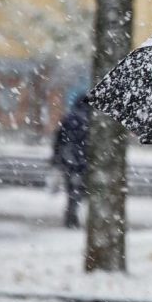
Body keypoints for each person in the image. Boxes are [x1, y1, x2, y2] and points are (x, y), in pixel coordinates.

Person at [51, 95, 91, 229]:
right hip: (83, 161)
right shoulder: (90, 120)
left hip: (68, 159)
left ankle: (70, 214)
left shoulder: (69, 118)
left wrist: (57, 158)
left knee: (71, 189)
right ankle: (73, 213)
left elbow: (58, 140)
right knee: (79, 189)